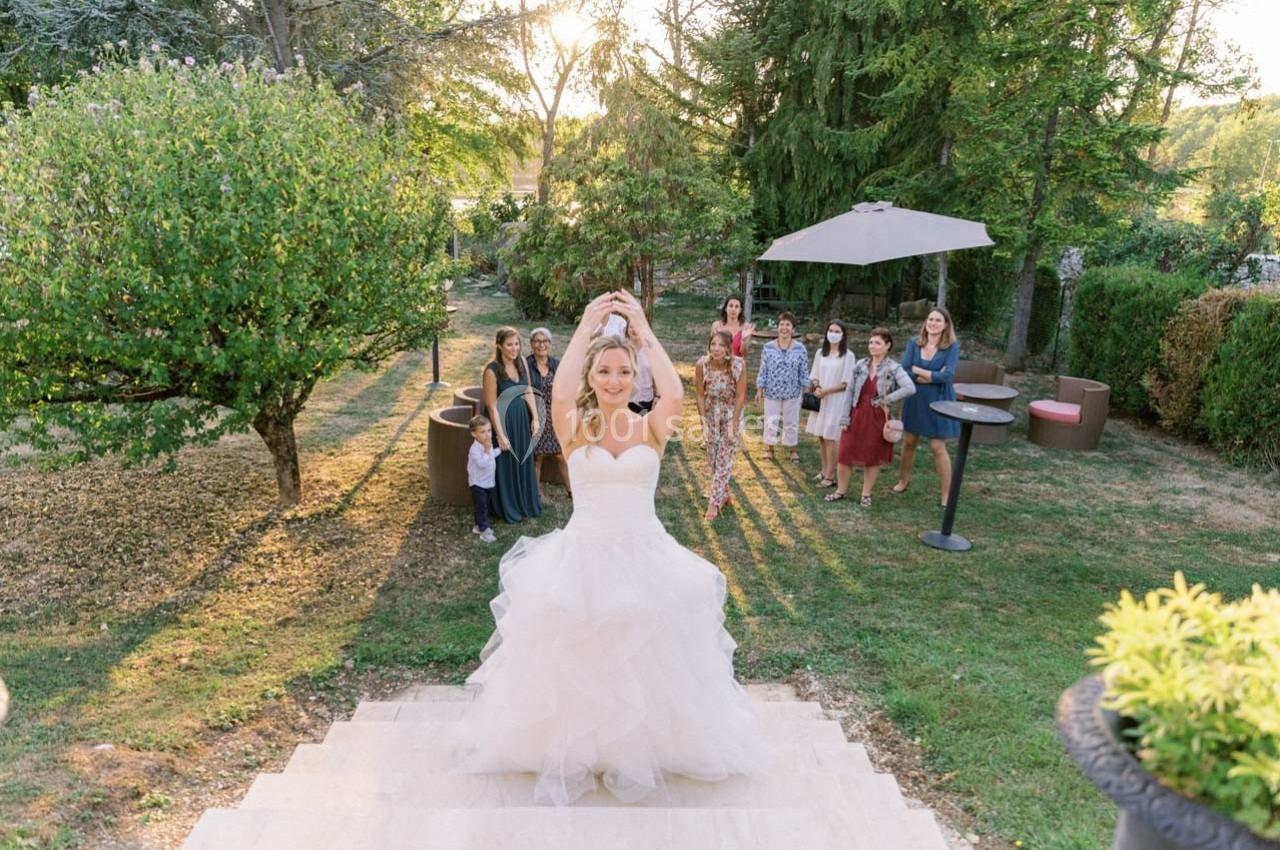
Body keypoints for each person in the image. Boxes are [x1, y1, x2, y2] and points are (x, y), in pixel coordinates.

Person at [456, 290, 765, 806]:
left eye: (624, 371)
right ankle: (583, 747)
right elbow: (558, 395)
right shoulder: (574, 427)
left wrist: (642, 329)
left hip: (647, 556)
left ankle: (641, 748)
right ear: (591, 377)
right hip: (583, 558)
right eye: (604, 372)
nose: (615, 380)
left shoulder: (652, 427)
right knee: (584, 657)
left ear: (635, 374)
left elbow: (674, 393)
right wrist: (585, 325)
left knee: (645, 656)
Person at [826, 328, 915, 506]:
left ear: (887, 346)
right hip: (856, 413)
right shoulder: (860, 365)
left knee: (872, 456)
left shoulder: (893, 368)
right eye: (871, 342)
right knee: (845, 453)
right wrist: (844, 417)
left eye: (877, 343)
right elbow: (849, 391)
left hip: (877, 417)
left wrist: (886, 399)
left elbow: (910, 387)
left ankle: (866, 494)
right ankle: (840, 491)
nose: (872, 346)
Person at [894, 307, 961, 506]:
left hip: (939, 400)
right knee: (909, 441)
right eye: (930, 319)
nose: (933, 323)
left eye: (938, 320)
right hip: (915, 397)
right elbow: (905, 370)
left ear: (946, 325)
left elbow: (947, 376)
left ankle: (946, 494)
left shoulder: (952, 347)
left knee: (937, 446)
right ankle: (903, 480)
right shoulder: (914, 343)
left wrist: (919, 370)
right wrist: (931, 376)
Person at [481, 327, 541, 523]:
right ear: (499, 346)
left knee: (523, 459)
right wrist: (500, 435)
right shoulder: (491, 371)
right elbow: (491, 406)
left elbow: (528, 390)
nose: (514, 348)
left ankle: (525, 502)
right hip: (503, 422)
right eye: (509, 345)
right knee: (506, 464)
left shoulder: (521, 362)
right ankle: (507, 506)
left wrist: (535, 418)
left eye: (517, 344)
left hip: (521, 420)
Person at [694, 330, 747, 521]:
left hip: (731, 415)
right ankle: (723, 494)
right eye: (713, 344)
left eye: (721, 345)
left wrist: (734, 424)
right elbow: (699, 394)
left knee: (724, 458)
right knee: (713, 459)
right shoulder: (702, 365)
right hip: (711, 416)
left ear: (728, 349)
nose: (716, 349)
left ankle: (713, 503)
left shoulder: (738, 365)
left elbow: (740, 396)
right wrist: (703, 422)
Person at [805, 320, 855, 488]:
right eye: (831, 330)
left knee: (830, 437)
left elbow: (846, 383)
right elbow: (814, 375)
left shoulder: (848, 356)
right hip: (821, 399)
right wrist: (817, 386)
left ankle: (831, 476)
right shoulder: (821, 353)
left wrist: (826, 391)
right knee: (821, 436)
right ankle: (824, 470)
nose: (833, 334)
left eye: (837, 331)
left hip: (836, 401)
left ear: (843, 335)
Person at [754, 312, 809, 463]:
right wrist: (759, 389)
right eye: (782, 324)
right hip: (772, 392)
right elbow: (763, 369)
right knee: (771, 421)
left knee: (791, 422)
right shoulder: (768, 347)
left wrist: (806, 390)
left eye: (788, 325)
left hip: (793, 392)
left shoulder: (800, 349)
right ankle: (769, 449)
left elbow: (804, 371)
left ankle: (792, 450)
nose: (784, 328)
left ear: (793, 329)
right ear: (777, 327)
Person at [526, 327, 571, 499]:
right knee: (537, 457)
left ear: (550, 344)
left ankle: (571, 491)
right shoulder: (526, 365)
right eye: (537, 341)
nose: (541, 345)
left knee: (560, 455)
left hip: (554, 416)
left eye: (545, 341)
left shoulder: (556, 364)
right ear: (531, 344)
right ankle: (536, 493)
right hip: (535, 415)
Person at [467, 415, 501, 543]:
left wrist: (500, 450)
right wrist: (487, 449)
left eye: (489, 430)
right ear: (474, 434)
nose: (487, 435)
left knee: (484, 505)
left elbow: (491, 456)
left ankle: (478, 526)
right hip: (477, 484)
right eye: (482, 432)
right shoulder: (474, 449)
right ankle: (484, 530)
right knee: (481, 506)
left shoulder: (487, 444)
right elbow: (482, 463)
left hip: (487, 482)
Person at [711, 295, 755, 359]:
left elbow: (744, 354)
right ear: (725, 308)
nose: (733, 309)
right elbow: (710, 348)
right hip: (719, 361)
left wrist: (744, 341)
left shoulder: (746, 327)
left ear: (740, 310)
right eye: (731, 306)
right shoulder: (716, 325)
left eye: (736, 307)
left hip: (737, 362)